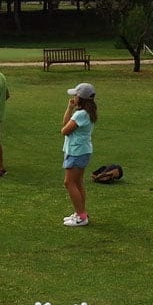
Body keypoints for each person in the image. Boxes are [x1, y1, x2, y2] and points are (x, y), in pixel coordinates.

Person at [60, 83, 96, 227]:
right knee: (78, 182)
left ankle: (81, 216)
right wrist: (70, 108)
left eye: (76, 95)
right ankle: (80, 212)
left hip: (76, 152)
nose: (74, 97)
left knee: (69, 183)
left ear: (81, 98)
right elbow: (65, 124)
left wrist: (71, 110)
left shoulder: (80, 114)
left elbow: (64, 130)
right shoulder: (87, 112)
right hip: (83, 151)